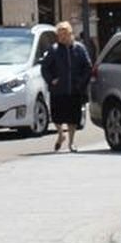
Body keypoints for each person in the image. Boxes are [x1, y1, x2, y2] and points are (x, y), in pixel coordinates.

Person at [40, 22, 93, 153]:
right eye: (60, 35)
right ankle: (60, 134)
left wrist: (81, 82)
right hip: (58, 90)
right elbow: (44, 67)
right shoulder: (54, 49)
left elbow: (88, 67)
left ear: (71, 34)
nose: (63, 37)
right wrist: (51, 80)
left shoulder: (79, 49)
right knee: (57, 116)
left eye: (65, 34)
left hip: (74, 89)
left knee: (73, 117)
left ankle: (71, 142)